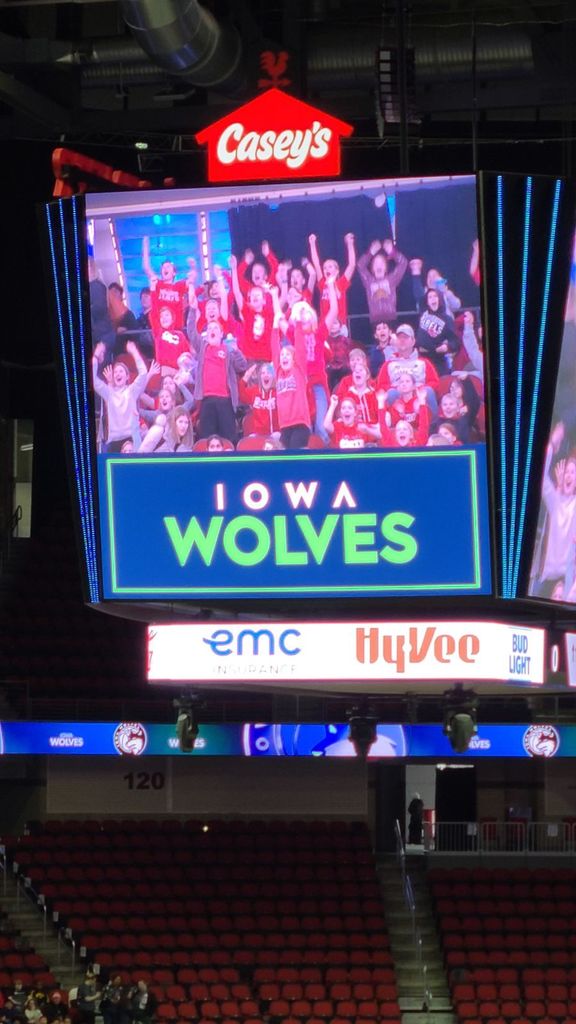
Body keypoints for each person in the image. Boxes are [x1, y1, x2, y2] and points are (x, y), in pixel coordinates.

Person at [187, 293, 247, 443]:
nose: (212, 329)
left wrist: (236, 349)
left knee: (229, 439)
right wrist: (193, 311)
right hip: (206, 400)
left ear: (221, 334)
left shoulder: (228, 350)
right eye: (210, 328)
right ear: (206, 334)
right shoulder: (202, 346)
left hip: (225, 401)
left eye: (216, 328)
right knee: (206, 440)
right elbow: (191, 332)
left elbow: (242, 365)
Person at [92, 341, 149, 452]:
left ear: (127, 376)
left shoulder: (132, 390)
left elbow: (143, 373)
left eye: (121, 371)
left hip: (131, 437)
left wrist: (134, 351)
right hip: (113, 440)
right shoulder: (108, 393)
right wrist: (95, 355)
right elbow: (93, 380)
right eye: (115, 372)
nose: (118, 374)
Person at [308, 231, 356, 325]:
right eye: (325, 267)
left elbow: (352, 265)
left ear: (337, 271)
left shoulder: (341, 283)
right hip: (325, 326)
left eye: (330, 266)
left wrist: (350, 244)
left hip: (340, 325)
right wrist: (312, 244)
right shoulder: (323, 284)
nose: (326, 269)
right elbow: (317, 265)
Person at [357, 239, 407, 324]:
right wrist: (370, 253)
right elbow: (360, 265)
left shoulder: (392, 279)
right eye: (376, 264)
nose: (378, 266)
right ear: (372, 268)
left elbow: (403, 263)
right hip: (375, 320)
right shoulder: (368, 281)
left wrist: (392, 252)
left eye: (382, 263)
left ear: (386, 268)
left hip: (391, 319)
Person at [416, 288, 461, 374]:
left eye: (435, 296)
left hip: (438, 359)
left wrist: (447, 346)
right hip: (421, 357)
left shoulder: (447, 319)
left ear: (440, 299)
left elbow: (455, 341)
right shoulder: (423, 314)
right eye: (430, 297)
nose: (433, 299)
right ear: (427, 302)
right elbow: (418, 295)